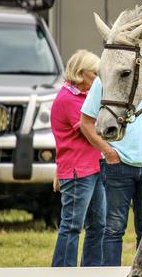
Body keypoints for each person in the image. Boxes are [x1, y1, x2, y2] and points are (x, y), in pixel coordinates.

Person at [80, 76, 142, 266]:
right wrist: (108, 152)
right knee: (114, 229)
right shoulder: (104, 80)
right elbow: (86, 122)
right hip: (118, 166)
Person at [50, 49, 105, 267]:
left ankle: (91, 271)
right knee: (72, 225)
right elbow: (90, 130)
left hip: (93, 168)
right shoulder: (68, 99)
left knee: (98, 224)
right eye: (95, 74)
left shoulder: (84, 96)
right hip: (77, 171)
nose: (99, 78)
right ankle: (63, 271)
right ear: (81, 74)